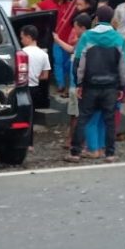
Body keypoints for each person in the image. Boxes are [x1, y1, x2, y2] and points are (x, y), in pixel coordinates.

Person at [66, 5, 125, 164]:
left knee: (83, 118)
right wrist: (122, 87)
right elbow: (124, 67)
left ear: (96, 19)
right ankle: (110, 154)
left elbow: (79, 63)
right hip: (111, 87)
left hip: (90, 85)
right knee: (109, 120)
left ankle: (75, 153)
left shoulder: (87, 37)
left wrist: (79, 83)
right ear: (112, 18)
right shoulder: (119, 39)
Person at [54, 14, 88, 148]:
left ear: (82, 28)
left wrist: (57, 40)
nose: (73, 31)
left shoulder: (84, 39)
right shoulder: (83, 39)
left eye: (75, 27)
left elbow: (73, 51)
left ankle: (74, 141)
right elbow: (71, 50)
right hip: (77, 82)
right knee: (75, 113)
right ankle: (74, 140)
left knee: (76, 114)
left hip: (78, 83)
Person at [19, 25, 51, 151]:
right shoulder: (43, 54)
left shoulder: (22, 52)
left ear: (28, 37)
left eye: (22, 38)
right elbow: (45, 76)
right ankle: (30, 144)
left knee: (21, 116)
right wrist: (35, 77)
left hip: (22, 88)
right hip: (35, 88)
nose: (21, 40)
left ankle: (21, 141)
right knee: (31, 117)